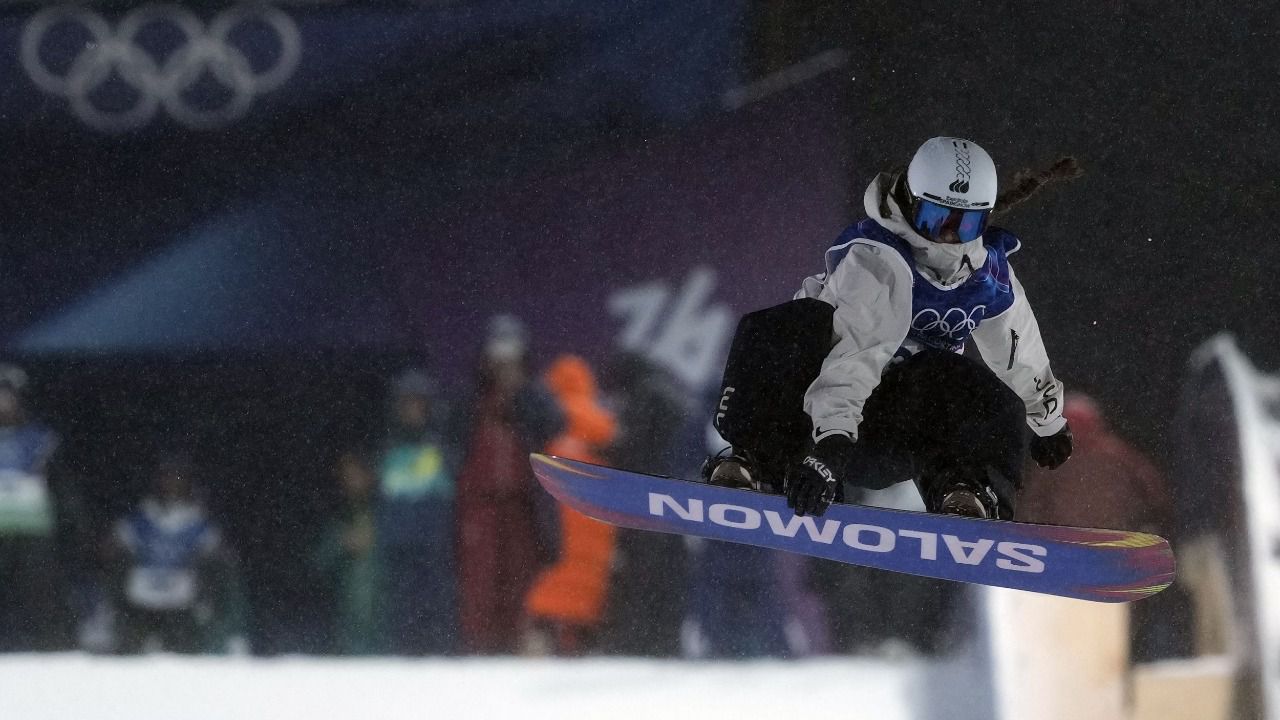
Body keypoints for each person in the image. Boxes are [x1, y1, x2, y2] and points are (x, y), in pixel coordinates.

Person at [705, 137, 1076, 520]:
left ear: (983, 221)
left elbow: (1019, 347)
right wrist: (829, 447)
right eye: (936, 219)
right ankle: (755, 459)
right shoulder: (877, 259)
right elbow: (854, 354)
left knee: (984, 393)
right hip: (813, 419)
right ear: (912, 203)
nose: (948, 236)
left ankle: (967, 490)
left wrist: (1048, 422)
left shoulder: (987, 275)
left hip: (890, 427)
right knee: (784, 328)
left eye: (964, 225)